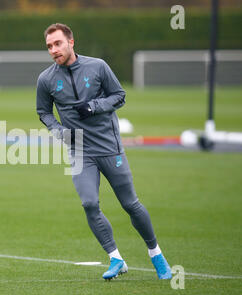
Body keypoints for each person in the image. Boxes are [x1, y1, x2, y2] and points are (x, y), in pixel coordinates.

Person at [36, 23, 172, 280]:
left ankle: (156, 254)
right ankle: (116, 259)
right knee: (89, 203)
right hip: (79, 151)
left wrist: (95, 106)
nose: (54, 50)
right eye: (49, 46)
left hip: (110, 147)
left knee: (130, 204)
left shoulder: (97, 66)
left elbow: (119, 95)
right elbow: (43, 112)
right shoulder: (46, 79)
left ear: (71, 42)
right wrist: (57, 130)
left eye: (58, 44)